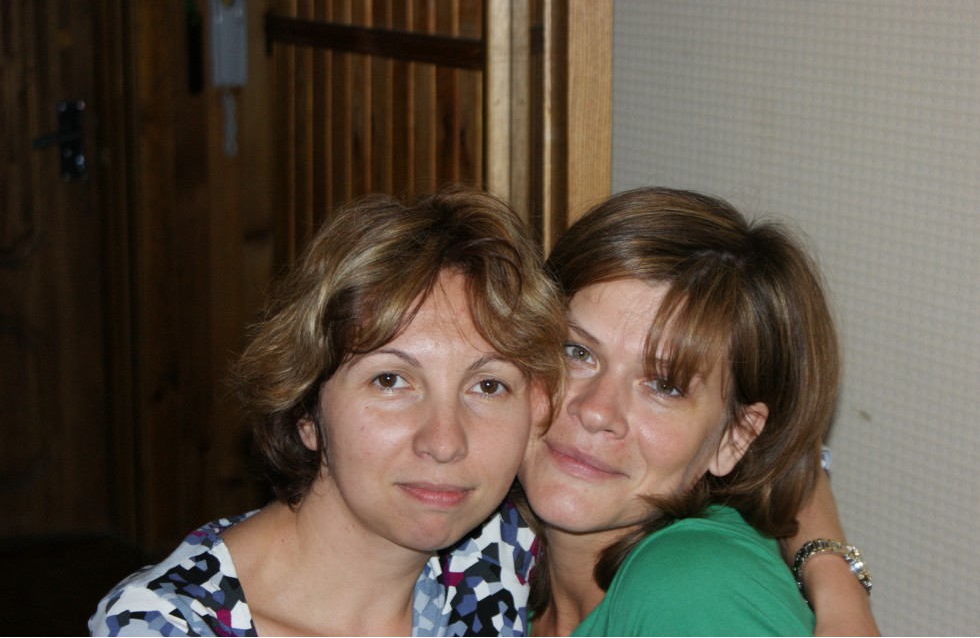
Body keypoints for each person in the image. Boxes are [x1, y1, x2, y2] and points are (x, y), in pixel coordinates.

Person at [88, 186, 567, 636]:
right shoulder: (165, 625)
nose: (444, 442)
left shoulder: (500, 555)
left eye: (488, 386)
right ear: (306, 409)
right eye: (390, 380)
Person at [444, 187, 879, 636]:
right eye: (577, 352)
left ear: (735, 438)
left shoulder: (698, 591)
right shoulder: (488, 552)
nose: (596, 411)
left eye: (665, 386)